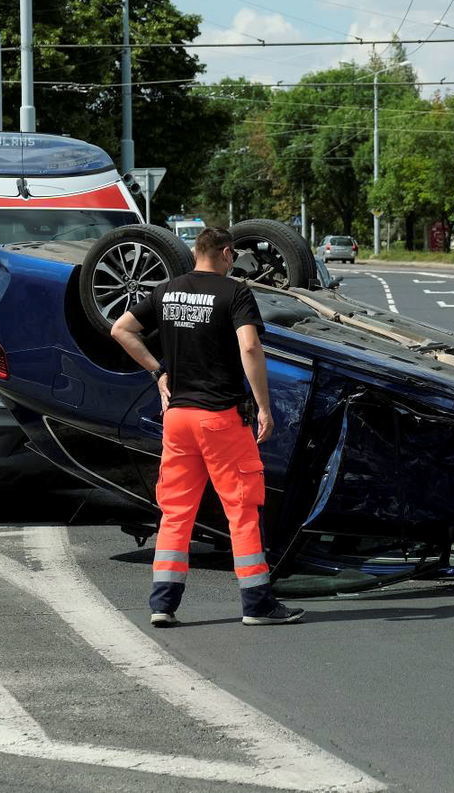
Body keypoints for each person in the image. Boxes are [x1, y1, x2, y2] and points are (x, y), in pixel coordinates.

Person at [110, 226, 304, 628]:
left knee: (176, 512)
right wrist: (265, 407)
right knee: (242, 509)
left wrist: (158, 371)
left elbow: (121, 329)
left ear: (196, 252)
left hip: (178, 419)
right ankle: (257, 604)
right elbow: (249, 346)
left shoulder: (166, 291)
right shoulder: (234, 293)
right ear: (228, 254)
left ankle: (162, 604)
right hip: (220, 420)